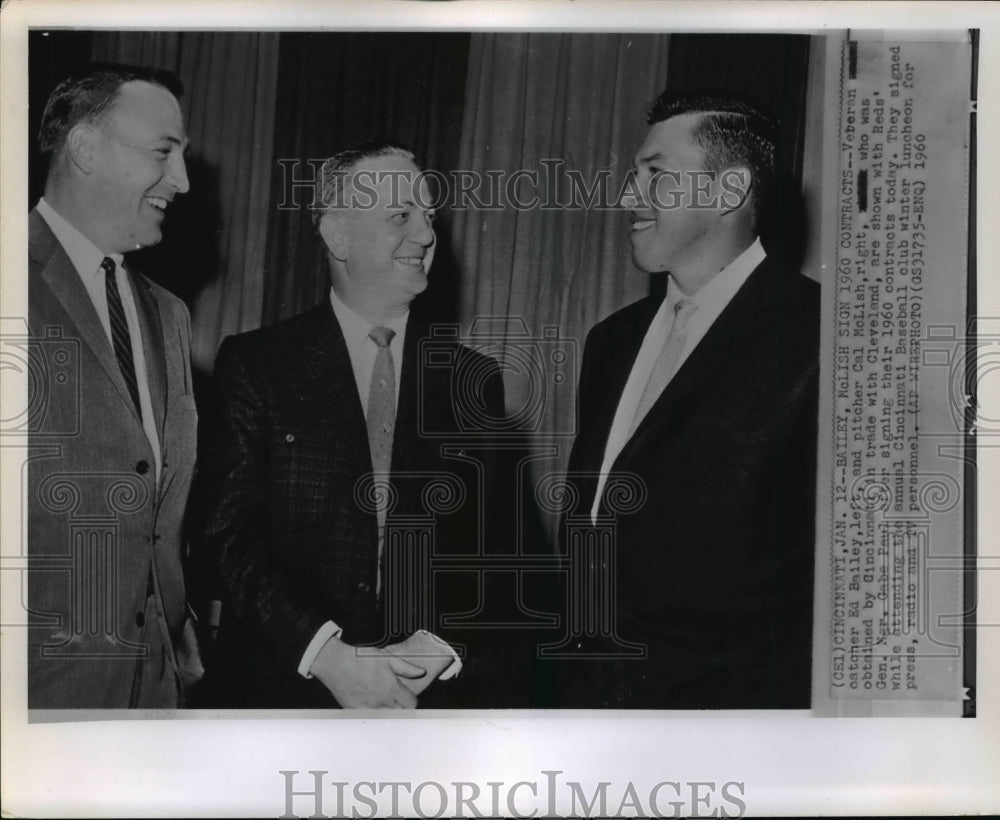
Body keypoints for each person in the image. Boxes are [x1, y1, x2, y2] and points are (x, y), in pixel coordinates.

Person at [199, 142, 506, 708]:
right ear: (338, 237)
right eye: (400, 216)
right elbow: (223, 536)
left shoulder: (472, 380)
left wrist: (442, 643)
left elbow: (497, 551)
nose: (425, 235)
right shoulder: (258, 365)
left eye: (428, 217)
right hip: (280, 698)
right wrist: (328, 655)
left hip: (422, 709)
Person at [559, 92, 819, 708]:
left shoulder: (824, 335)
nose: (628, 199)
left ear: (728, 191)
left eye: (656, 176)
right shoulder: (610, 341)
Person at [27, 63, 200, 708]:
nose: (181, 182)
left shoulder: (169, 315)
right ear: (84, 148)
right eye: (164, 152)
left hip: (153, 687)